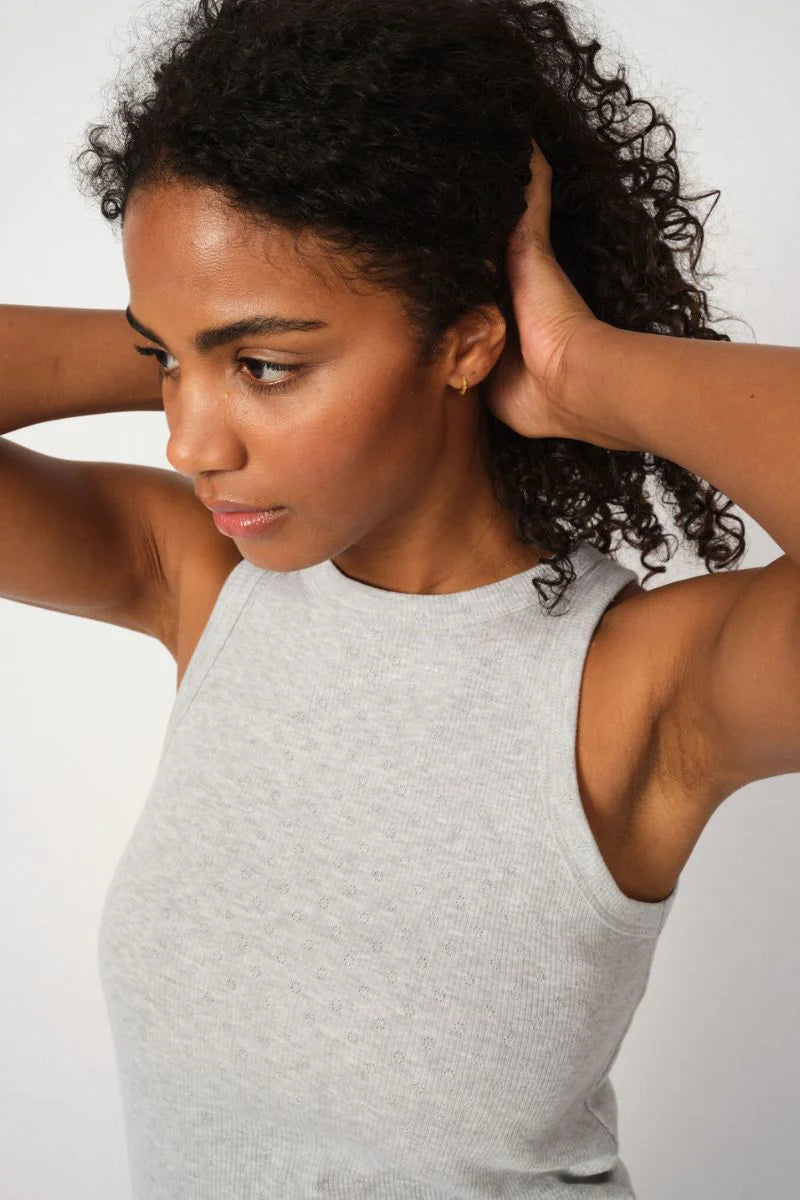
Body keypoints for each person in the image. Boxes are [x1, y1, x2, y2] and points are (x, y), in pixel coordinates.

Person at [2, 0, 798, 1195]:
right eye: (166, 364)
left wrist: (580, 367)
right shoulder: (202, 581)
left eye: (266, 368)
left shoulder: (639, 685)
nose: (185, 442)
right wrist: (208, 332)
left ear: (468, 342)